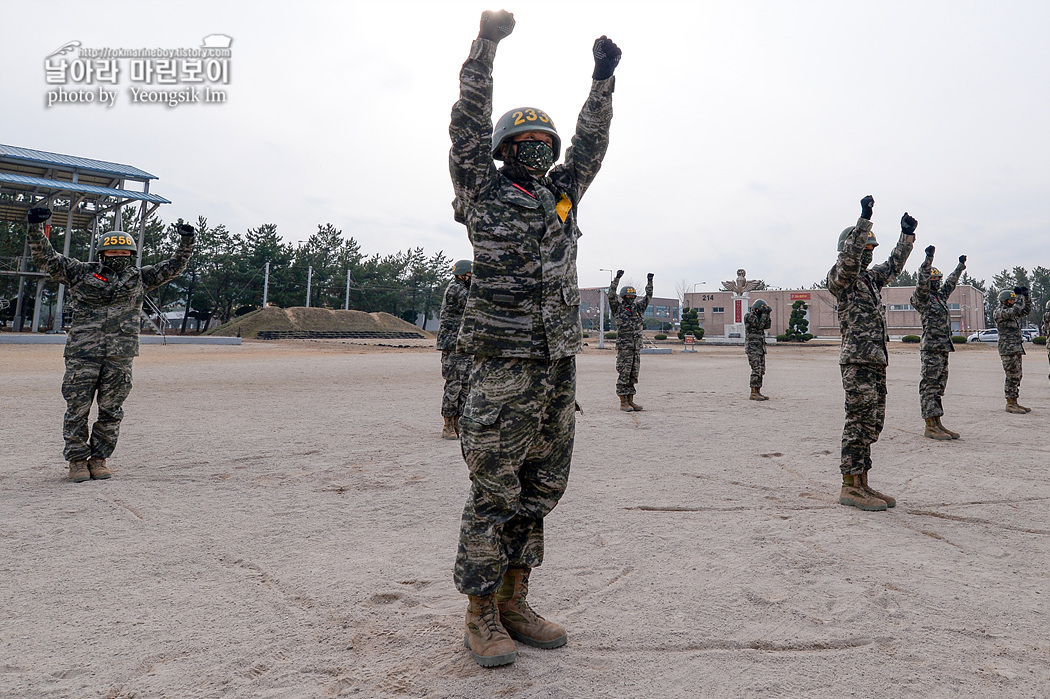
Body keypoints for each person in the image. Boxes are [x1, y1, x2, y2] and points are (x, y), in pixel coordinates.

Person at [448, 9, 619, 667]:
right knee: (493, 491)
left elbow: (590, 146)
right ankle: (480, 612)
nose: (541, 147)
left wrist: (601, 83)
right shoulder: (481, 190)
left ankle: (517, 599)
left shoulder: (562, 197)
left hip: (555, 367)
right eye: (528, 141)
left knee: (541, 488)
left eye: (546, 139)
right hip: (500, 364)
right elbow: (466, 122)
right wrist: (486, 45)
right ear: (504, 152)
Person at [25, 207, 195, 482]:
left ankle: (100, 458)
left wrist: (186, 242)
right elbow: (46, 258)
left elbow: (174, 267)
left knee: (112, 410)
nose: (119, 256)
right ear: (103, 254)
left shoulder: (140, 277)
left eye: (124, 252)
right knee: (77, 408)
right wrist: (35, 227)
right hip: (83, 354)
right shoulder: (80, 273)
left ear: (131, 255)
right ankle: (78, 461)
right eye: (113, 253)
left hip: (120, 356)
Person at [827, 195, 916, 512]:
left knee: (871, 423)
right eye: (865, 248)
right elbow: (849, 260)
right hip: (856, 361)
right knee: (857, 422)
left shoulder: (870, 279)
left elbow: (893, 266)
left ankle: (862, 482)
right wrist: (864, 219)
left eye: (871, 250)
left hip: (876, 360)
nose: (868, 254)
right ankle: (848, 486)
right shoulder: (842, 278)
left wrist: (906, 238)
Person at [910, 247, 966, 439]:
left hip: (942, 348)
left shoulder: (939, 298)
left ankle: (938, 422)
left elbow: (950, 283)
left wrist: (960, 267)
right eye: (933, 280)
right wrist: (928, 259)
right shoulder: (922, 299)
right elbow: (921, 282)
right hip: (931, 348)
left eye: (937, 280)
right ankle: (929, 425)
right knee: (929, 386)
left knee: (939, 387)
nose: (937, 283)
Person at [437, 259, 473, 439]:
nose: (471, 278)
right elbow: (473, 304)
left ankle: (460, 422)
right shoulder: (456, 289)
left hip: (465, 344)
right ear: (461, 274)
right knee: (454, 385)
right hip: (453, 345)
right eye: (469, 275)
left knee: (466, 386)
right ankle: (448, 425)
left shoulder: (464, 288)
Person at [608, 270, 653, 411]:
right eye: (628, 295)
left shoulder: (639, 308)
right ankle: (623, 402)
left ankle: (631, 400)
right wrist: (616, 279)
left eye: (632, 295)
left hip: (636, 348)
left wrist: (650, 282)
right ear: (623, 297)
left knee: (633, 374)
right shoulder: (618, 309)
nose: (631, 297)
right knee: (624, 373)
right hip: (625, 347)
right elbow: (610, 295)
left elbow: (648, 296)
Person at [993, 286, 1031, 413]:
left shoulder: (1012, 310)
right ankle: (1010, 403)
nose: (1013, 302)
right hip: (1008, 349)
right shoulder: (1000, 312)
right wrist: (1019, 297)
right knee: (1011, 376)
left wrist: (1026, 296)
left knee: (1017, 375)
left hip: (1015, 348)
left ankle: (1014, 401)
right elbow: (1016, 310)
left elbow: (1025, 310)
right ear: (1004, 300)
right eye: (1011, 300)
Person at [743, 299, 771, 400]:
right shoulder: (749, 316)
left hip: (760, 347)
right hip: (753, 348)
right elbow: (759, 325)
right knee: (756, 369)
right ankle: (753, 392)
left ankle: (758, 391)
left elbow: (767, 326)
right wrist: (763, 315)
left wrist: (767, 315)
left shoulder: (760, 317)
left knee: (762, 370)